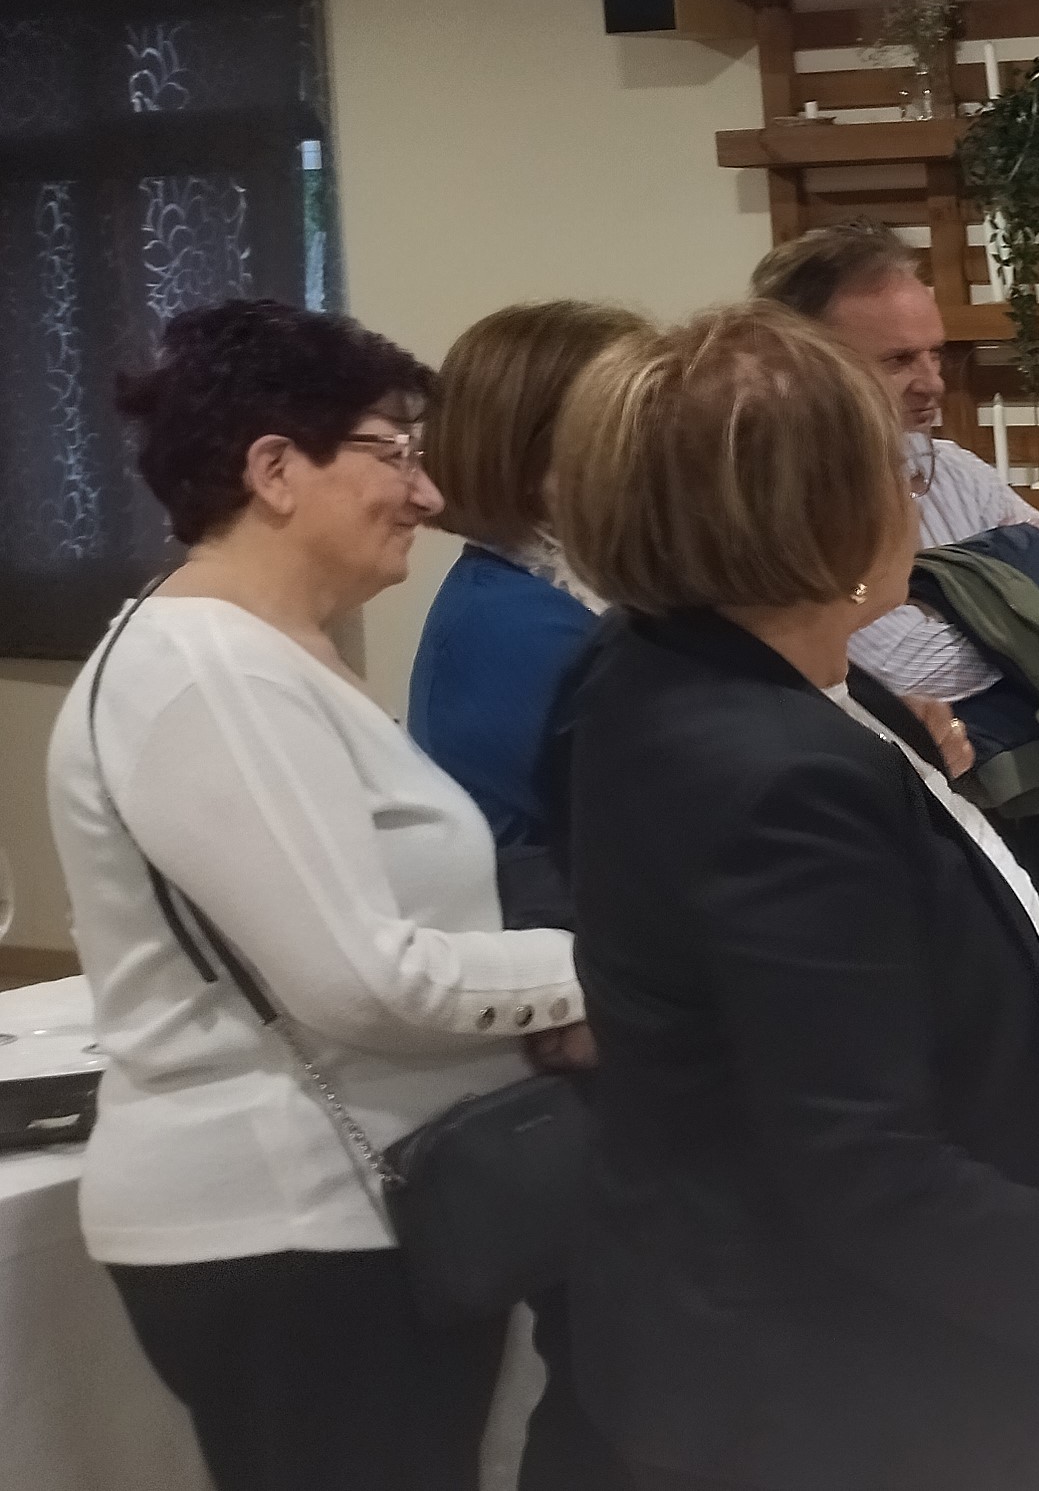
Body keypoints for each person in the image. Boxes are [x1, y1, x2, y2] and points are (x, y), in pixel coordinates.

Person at [537, 303, 1039, 1491]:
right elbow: (862, 1163)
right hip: (836, 1376)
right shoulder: (778, 771)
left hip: (784, 1327)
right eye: (894, 471)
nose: (917, 495)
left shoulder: (669, 672)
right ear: (823, 510)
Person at [44, 299, 588, 1491]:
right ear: (275, 469)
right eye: (394, 451)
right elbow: (361, 978)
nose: (427, 493)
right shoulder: (208, 671)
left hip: (360, 1214)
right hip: (287, 1223)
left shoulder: (273, 654)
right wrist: (605, 974)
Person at [753, 222, 1039, 1171]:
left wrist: (958, 600)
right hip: (905, 870)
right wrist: (1017, 615)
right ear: (807, 366)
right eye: (897, 360)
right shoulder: (773, 514)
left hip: (1033, 834)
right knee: (954, 1152)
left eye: (935, 354)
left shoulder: (952, 471)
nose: (929, 381)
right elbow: (887, 659)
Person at [400, 297, 646, 1490]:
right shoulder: (518, 624)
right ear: (543, 444)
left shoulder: (558, 593)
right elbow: (541, 851)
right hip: (581, 1016)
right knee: (617, 1374)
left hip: (594, 991)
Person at [408, 300, 646, 844]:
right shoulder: (512, 626)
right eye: (626, 427)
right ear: (527, 458)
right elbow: (674, 821)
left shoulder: (555, 588)